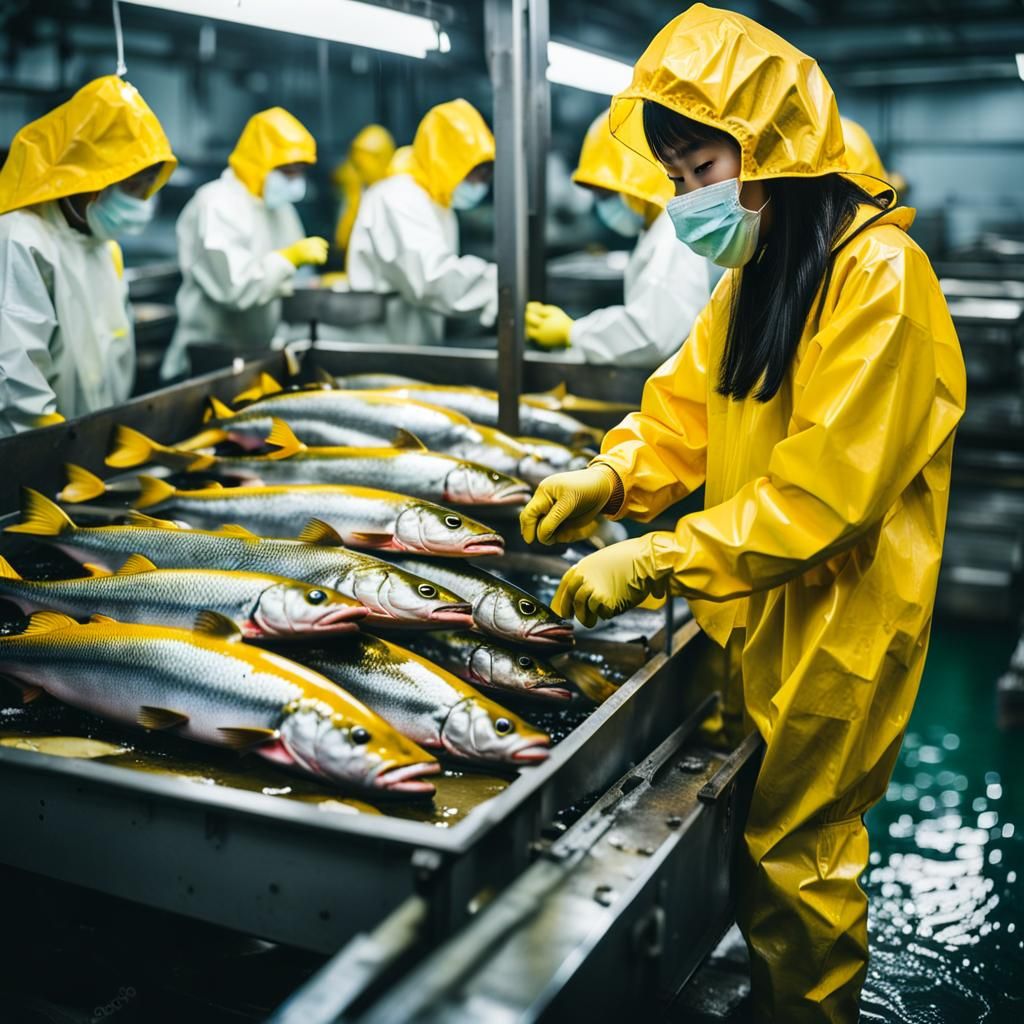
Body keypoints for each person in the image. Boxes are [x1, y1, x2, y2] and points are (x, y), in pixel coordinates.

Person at [520, 5, 965, 1022]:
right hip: (753, 602)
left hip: (838, 625)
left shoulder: (880, 282)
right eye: (674, 179)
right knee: (749, 839)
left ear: (771, 146)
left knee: (798, 860)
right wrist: (614, 474)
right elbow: (684, 408)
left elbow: (826, 494)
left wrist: (660, 554)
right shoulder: (754, 275)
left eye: (700, 167)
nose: (687, 199)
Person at [0, 76, 176, 436]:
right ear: (87, 178)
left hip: (88, 443)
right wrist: (47, 436)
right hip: (28, 454)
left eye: (146, 187)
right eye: (131, 185)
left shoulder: (103, 246)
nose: (139, 201)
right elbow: (14, 369)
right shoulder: (20, 239)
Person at [526, 110, 710, 366]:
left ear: (637, 183)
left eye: (607, 195)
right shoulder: (658, 231)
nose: (603, 207)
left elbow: (652, 334)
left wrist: (574, 333)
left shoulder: (675, 234)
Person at [161, 107, 326, 380]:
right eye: (286, 171)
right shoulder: (216, 203)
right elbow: (235, 288)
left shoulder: (279, 208)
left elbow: (288, 278)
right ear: (258, 162)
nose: (295, 181)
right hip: (205, 361)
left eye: (299, 172)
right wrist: (287, 259)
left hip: (254, 356)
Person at [346, 98, 497, 346]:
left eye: (486, 175)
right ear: (447, 162)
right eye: (475, 172)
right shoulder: (398, 198)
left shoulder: (437, 203)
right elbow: (432, 278)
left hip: (411, 345)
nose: (481, 184)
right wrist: (499, 287)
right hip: (383, 348)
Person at [332, 123, 395, 253]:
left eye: (359, 166)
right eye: (355, 165)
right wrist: (354, 197)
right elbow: (342, 241)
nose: (356, 171)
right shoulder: (358, 190)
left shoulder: (397, 193)